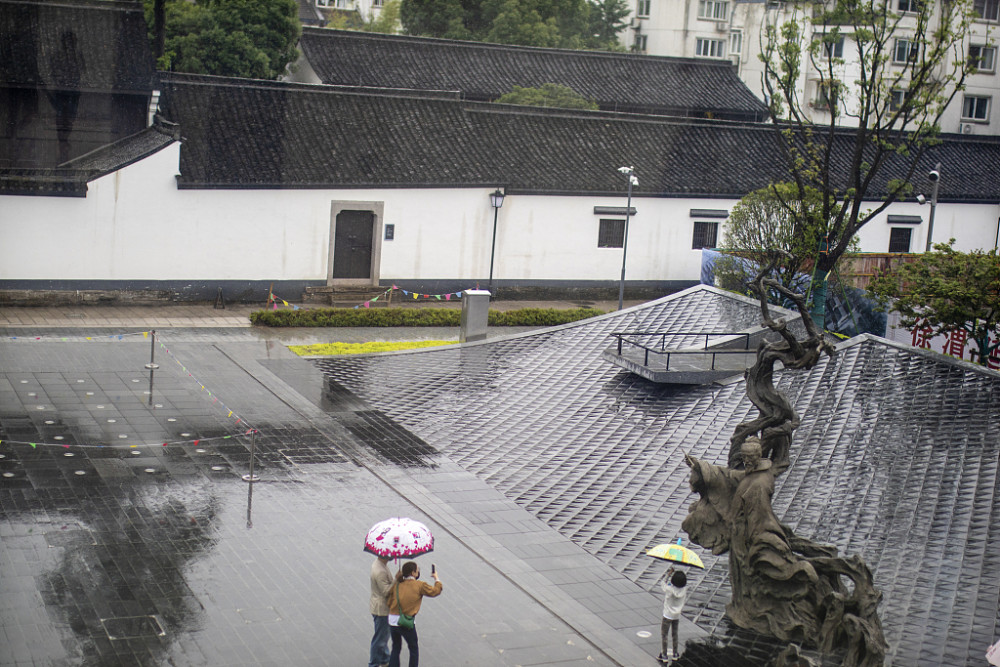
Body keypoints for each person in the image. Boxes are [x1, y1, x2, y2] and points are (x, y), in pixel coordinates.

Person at [386, 561, 442, 667]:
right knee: (413, 648)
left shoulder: (397, 584)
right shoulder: (419, 585)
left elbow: (389, 602)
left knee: (396, 647)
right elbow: (435, 591)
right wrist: (436, 578)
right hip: (406, 622)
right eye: (417, 570)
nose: (418, 571)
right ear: (413, 573)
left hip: (392, 621)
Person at [369, 555, 394, 667]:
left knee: (382, 635)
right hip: (382, 609)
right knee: (380, 639)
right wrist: (397, 579)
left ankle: (384, 658)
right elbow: (386, 591)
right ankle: (374, 663)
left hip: (377, 605)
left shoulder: (379, 564)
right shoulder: (381, 571)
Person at [659, 566, 687, 663]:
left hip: (667, 615)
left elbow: (662, 583)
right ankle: (675, 653)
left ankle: (664, 654)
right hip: (677, 616)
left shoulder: (669, 589)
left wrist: (669, 573)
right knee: (675, 634)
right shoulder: (684, 590)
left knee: (664, 635)